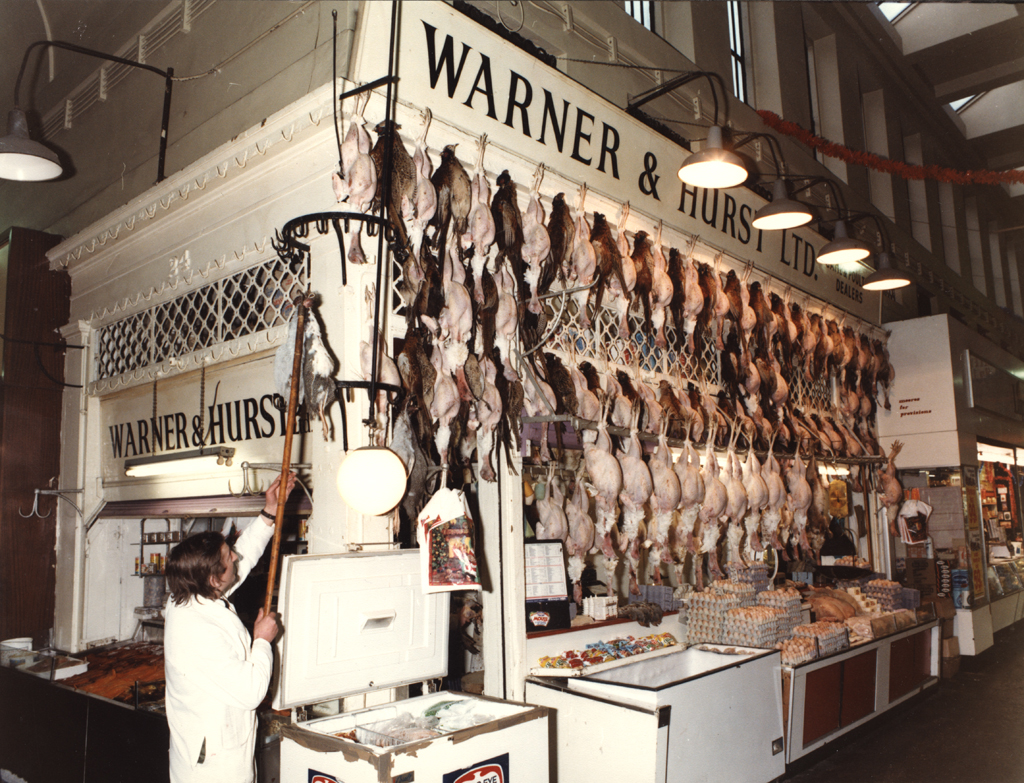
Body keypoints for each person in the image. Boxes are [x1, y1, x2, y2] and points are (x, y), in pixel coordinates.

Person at [164, 471, 297, 783]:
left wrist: (269, 512)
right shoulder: (196, 629)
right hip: (213, 765)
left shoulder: (190, 595)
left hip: (219, 744)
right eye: (228, 557)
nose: (236, 556)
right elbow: (251, 692)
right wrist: (262, 640)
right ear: (213, 578)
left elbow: (245, 556)